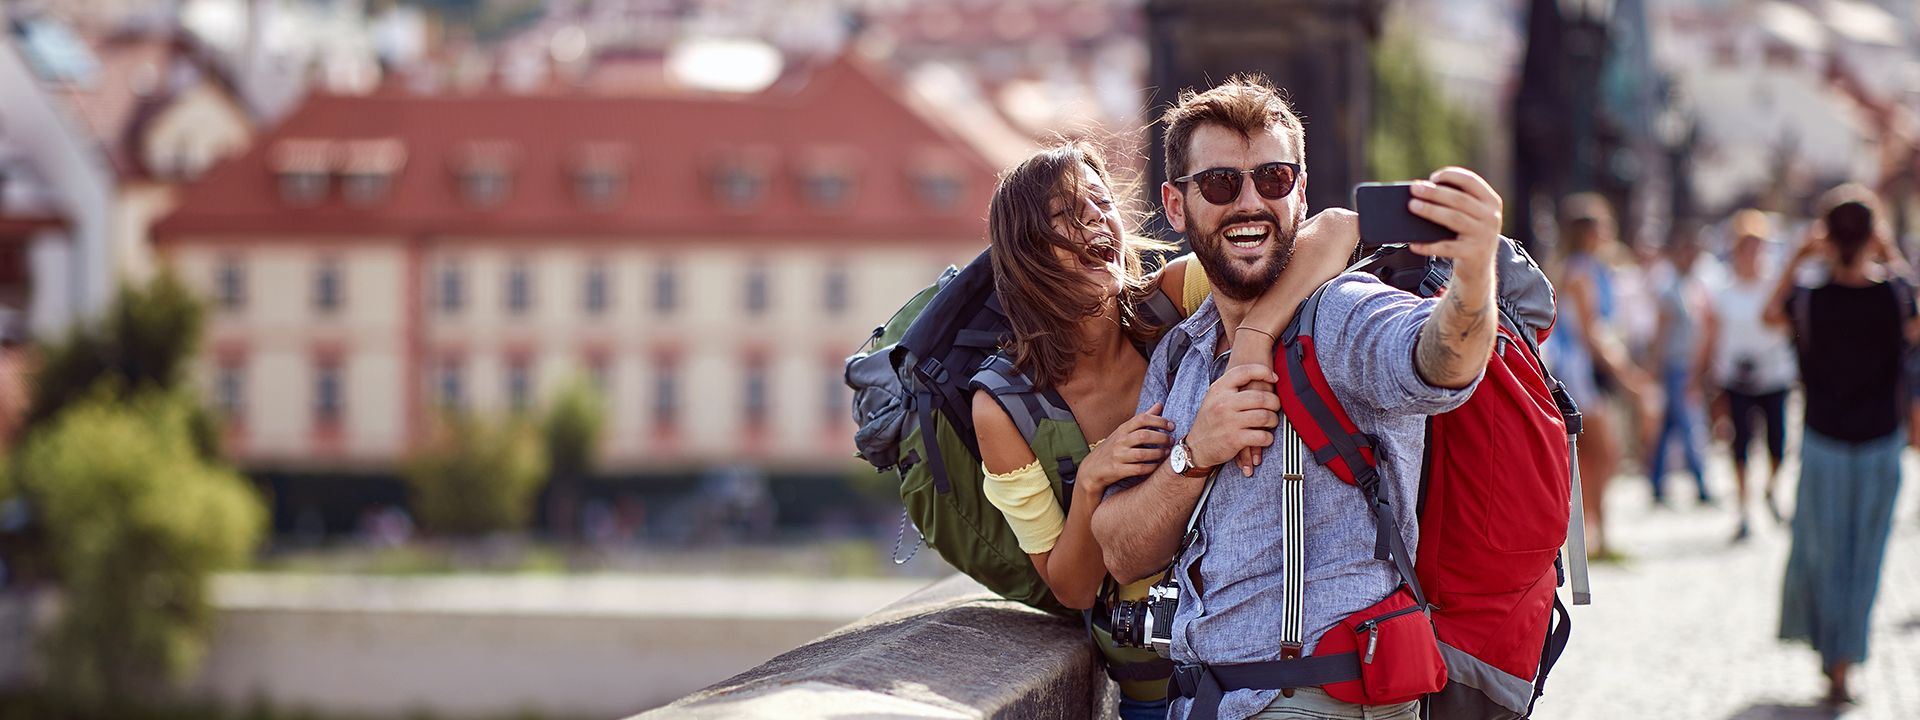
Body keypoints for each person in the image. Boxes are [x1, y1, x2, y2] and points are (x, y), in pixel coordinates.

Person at [1090, 74, 1503, 720]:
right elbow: (1120, 549)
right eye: (1222, 183)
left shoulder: (1340, 315)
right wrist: (1194, 453)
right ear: (1176, 207)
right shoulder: (1184, 352)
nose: (1251, 203)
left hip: (1320, 698)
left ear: (1300, 194)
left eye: (1274, 180)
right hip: (1217, 699)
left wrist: (1474, 282)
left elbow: (1438, 362)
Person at [970, 142, 1357, 720]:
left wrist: (1253, 336)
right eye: (1067, 215)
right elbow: (1072, 591)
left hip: (1261, 659)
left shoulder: (1172, 300)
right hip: (1153, 686)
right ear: (1029, 251)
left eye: (1102, 204)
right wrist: (1092, 484)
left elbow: (1337, 232)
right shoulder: (1003, 407)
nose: (1097, 220)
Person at [1764, 186, 1917, 707]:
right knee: (1864, 556)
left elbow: (1769, 315)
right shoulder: (1896, 295)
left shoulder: (1809, 298)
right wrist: (1890, 253)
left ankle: (1833, 661)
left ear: (1825, 235)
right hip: (1880, 442)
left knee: (1825, 552)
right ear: (1873, 233)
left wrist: (1797, 256)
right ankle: (1845, 661)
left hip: (1825, 439)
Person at [1543, 194, 1652, 560]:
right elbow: (1592, 332)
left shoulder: (1588, 268)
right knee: (1600, 453)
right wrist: (1626, 374)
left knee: (1593, 455)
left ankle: (1595, 534)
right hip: (1579, 372)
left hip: (1585, 368)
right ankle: (1591, 534)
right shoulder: (1581, 272)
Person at [1702, 209, 1797, 537]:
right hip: (1735, 375)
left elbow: (1790, 323)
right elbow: (1712, 333)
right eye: (1747, 246)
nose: (1752, 254)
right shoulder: (1722, 288)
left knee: (1777, 442)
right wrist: (1704, 373)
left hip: (1774, 372)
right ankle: (1743, 508)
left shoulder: (1776, 283)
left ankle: (1771, 488)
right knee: (1739, 443)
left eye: (1758, 246)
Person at [1643, 222, 1716, 509]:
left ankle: (1657, 482)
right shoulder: (1669, 289)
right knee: (1689, 426)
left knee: (1670, 428)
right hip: (1675, 367)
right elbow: (1660, 334)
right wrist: (1656, 368)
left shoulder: (1692, 286)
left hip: (1687, 365)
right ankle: (1700, 482)